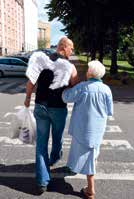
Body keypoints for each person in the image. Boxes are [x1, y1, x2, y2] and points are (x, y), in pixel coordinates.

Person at [24, 37, 78, 193]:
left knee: (41, 143)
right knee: (57, 137)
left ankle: (42, 181)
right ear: (63, 47)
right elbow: (75, 86)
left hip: (40, 106)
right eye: (71, 48)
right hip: (58, 108)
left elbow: (30, 83)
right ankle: (54, 158)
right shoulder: (69, 66)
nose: (72, 51)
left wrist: (27, 98)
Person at [62, 60, 113, 199]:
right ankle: (85, 179)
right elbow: (109, 111)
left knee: (88, 156)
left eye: (87, 70)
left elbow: (66, 97)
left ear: (90, 73)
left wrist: (66, 87)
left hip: (83, 128)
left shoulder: (83, 87)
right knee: (92, 153)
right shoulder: (107, 89)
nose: (86, 72)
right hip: (98, 128)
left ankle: (90, 189)